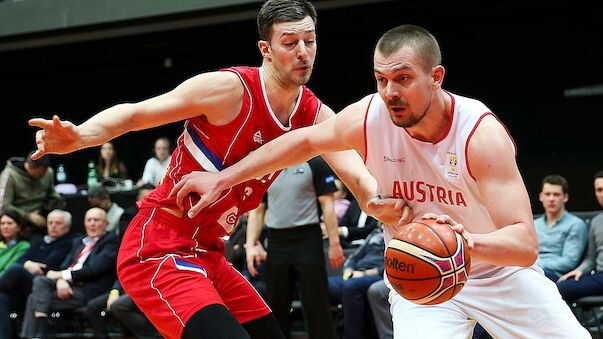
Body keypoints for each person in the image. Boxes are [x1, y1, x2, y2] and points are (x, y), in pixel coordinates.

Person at [171, 24, 590, 338]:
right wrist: (222, 179)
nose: (389, 91)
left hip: (498, 274)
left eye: (403, 78)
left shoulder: (479, 135)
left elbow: (524, 245)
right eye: (381, 79)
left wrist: (463, 246)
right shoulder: (370, 115)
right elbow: (300, 142)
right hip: (420, 280)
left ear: (436, 77)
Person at [27, 1, 406, 338]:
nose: (303, 52)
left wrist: (375, 201)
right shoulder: (229, 89)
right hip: (159, 247)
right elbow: (136, 114)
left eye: (310, 41)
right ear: (266, 50)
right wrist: (80, 137)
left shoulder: (314, 113)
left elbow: (354, 170)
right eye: (290, 43)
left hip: (210, 254)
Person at [246, 158, 344, 338]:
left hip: (307, 238)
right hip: (276, 241)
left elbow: (327, 204)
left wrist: (334, 243)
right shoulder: (266, 164)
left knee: (316, 303)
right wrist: (250, 245)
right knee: (277, 305)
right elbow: (258, 210)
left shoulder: (315, 162)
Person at [20, 207, 118, 338]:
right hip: (68, 287)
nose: (92, 223)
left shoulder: (111, 241)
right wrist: (61, 280)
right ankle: (39, 334)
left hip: (88, 290)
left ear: (106, 223)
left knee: (35, 298)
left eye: (96, 220)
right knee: (39, 284)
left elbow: (95, 269)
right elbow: (65, 266)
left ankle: (36, 335)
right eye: (89, 220)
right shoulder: (79, 242)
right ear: (84, 223)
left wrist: (63, 276)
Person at [0, 209, 72, 338]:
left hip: (46, 285)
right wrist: (29, 264)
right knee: (1, 297)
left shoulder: (69, 243)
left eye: (58, 223)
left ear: (67, 226)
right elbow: (23, 261)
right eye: (50, 222)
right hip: (26, 286)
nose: (53, 226)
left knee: (16, 269)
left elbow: (50, 266)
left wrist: (27, 264)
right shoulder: (39, 241)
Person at [328, 223, 385, 339]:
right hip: (354, 274)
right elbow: (354, 256)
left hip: (377, 276)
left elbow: (391, 266)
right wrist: (348, 271)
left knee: (351, 286)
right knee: (321, 285)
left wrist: (364, 274)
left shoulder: (401, 234)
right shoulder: (376, 232)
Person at [557, 170, 603, 301]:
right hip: (600, 276)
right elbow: (591, 258)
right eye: (599, 190)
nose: (602, 193)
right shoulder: (596, 221)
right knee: (561, 287)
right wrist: (580, 270)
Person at [535, 174, 588, 281]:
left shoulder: (575, 224)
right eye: (547, 194)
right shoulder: (534, 224)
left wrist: (537, 264)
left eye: (556, 194)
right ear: (541, 197)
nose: (551, 199)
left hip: (555, 274)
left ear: (565, 197)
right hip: (530, 268)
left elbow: (569, 262)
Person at [0, 151, 64, 239]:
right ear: (30, 167)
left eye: (45, 171)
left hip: (42, 213)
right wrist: (28, 216)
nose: (44, 175)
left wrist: (58, 201)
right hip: (19, 217)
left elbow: (51, 193)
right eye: (41, 173)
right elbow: (4, 205)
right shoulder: (9, 175)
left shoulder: (48, 172)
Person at [0, 210, 30, 276]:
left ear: (19, 227)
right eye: (2, 223)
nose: (5, 226)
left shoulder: (23, 246)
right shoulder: (1, 244)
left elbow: (8, 270)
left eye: (9, 223)